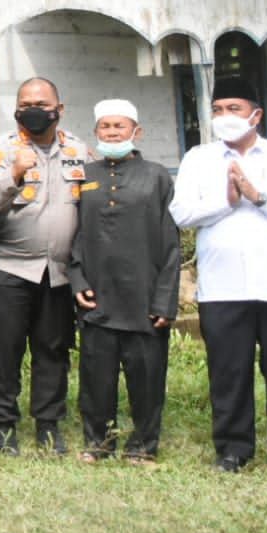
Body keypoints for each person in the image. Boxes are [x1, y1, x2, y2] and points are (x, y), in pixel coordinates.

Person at [170, 76, 267, 478]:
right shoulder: (198, 159)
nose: (224, 117)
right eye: (218, 110)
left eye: (233, 109)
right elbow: (182, 213)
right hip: (223, 287)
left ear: (256, 114)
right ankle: (233, 451)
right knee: (229, 372)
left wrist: (259, 196)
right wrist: (227, 201)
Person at [0, 77, 92, 455]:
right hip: (10, 268)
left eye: (41, 103)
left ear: (59, 109)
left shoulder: (79, 151)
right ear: (16, 110)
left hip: (58, 271)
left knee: (53, 351)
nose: (33, 110)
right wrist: (14, 175)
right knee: (4, 352)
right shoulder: (3, 151)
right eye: (25, 104)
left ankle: (48, 425)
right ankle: (3, 425)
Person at [69, 98, 179, 465]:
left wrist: (165, 300)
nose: (112, 132)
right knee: (96, 378)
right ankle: (98, 443)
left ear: (137, 132)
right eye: (105, 126)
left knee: (146, 378)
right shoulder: (86, 175)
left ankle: (143, 447)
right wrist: (77, 277)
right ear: (96, 131)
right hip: (98, 296)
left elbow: (170, 243)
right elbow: (75, 234)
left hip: (144, 298)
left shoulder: (157, 176)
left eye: (120, 126)